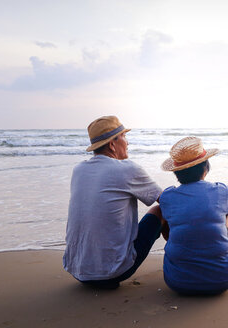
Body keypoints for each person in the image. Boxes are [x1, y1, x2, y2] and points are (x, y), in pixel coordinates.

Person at [63, 115, 164, 289]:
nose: (128, 142)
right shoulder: (127, 169)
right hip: (111, 273)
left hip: (77, 270)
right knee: (161, 210)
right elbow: (168, 201)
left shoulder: (79, 170)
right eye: (124, 137)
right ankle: (183, 261)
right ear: (112, 144)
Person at [160, 136, 228, 295]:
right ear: (206, 167)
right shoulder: (222, 191)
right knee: (223, 216)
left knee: (171, 216)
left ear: (176, 173)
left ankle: (186, 256)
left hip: (177, 281)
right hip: (221, 280)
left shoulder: (167, 196)